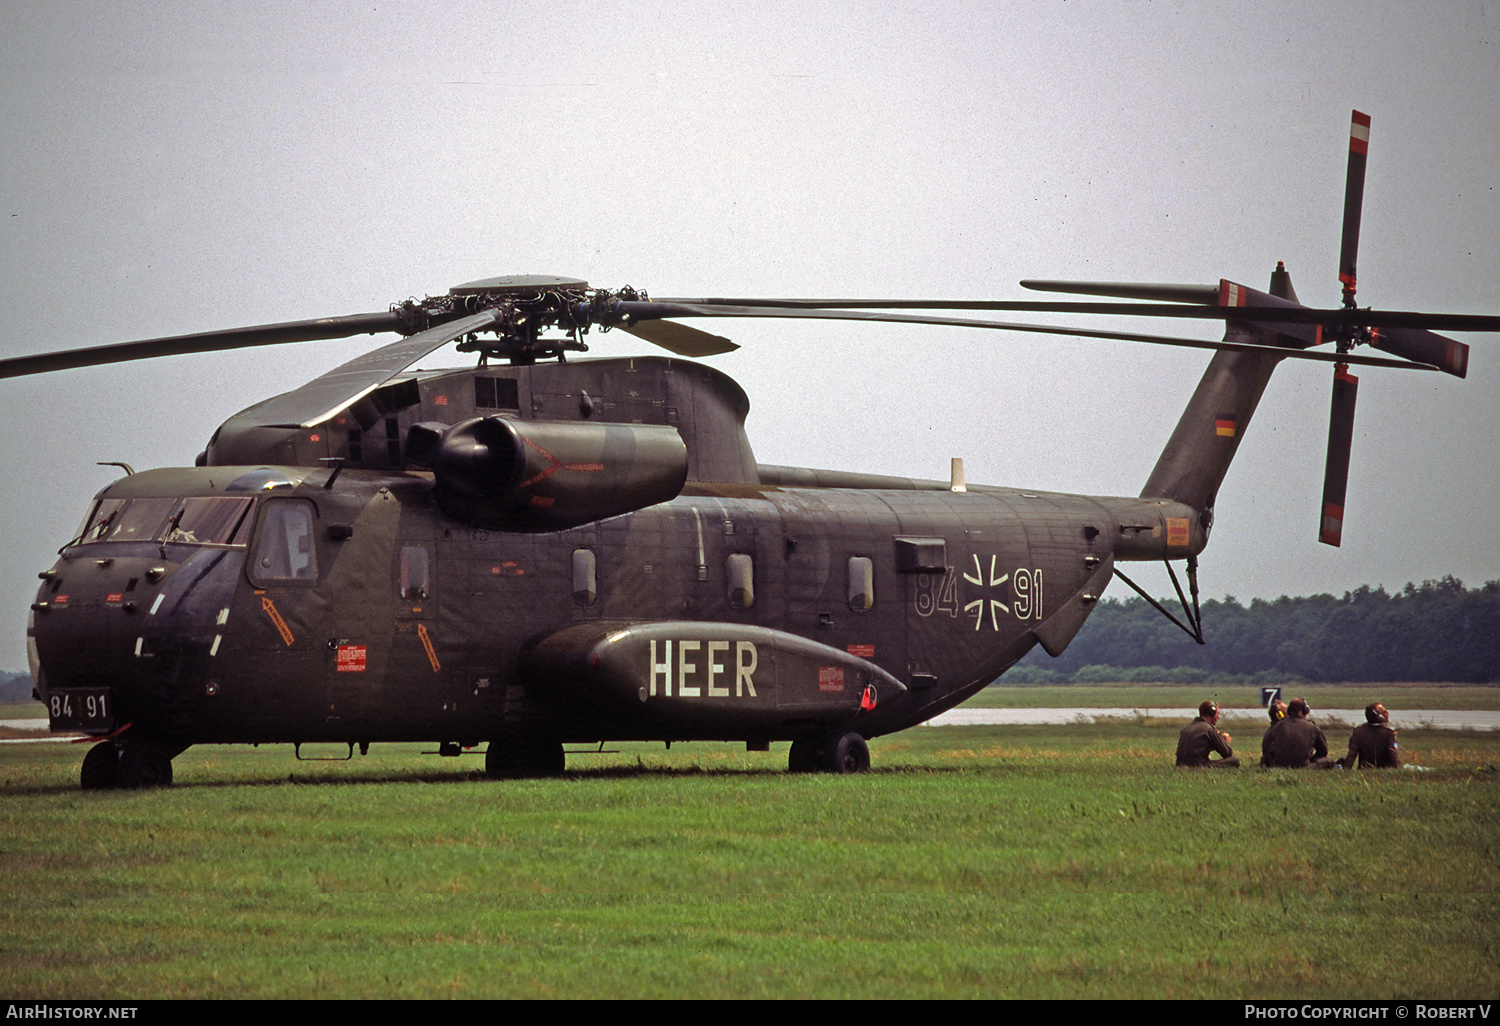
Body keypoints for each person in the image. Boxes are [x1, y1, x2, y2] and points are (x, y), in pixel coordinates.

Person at [1261, 697, 1333, 768]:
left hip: (1278, 765)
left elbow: (1266, 749)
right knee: (1328, 761)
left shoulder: (1277, 726)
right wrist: (1311, 759)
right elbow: (1323, 751)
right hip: (1303, 766)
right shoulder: (1312, 727)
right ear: (1304, 711)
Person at [1176, 700, 1240, 768]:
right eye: (1217, 714)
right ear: (1212, 713)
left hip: (1180, 765)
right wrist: (1226, 742)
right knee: (1234, 760)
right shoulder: (1209, 729)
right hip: (1198, 766)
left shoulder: (1187, 728)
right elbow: (1227, 753)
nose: (1218, 717)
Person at [1338, 702, 1401, 769]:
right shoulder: (1389, 732)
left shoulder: (1358, 731)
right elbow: (1393, 754)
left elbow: (1352, 754)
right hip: (1384, 770)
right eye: (1384, 712)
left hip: (1364, 769)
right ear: (1379, 716)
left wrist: (1346, 769)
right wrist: (1398, 769)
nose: (1387, 713)